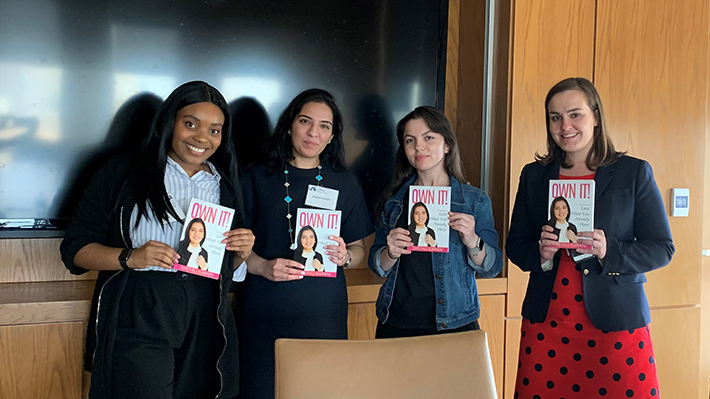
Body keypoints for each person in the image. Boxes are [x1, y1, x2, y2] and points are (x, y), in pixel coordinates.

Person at [60, 81, 255, 399]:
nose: (202, 138)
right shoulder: (123, 173)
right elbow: (75, 249)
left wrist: (241, 254)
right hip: (141, 307)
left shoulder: (228, 185)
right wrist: (130, 257)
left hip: (206, 311)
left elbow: (225, 272)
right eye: (190, 124)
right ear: (170, 122)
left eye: (215, 130)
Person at [506, 77, 673, 398]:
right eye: (555, 117)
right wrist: (541, 253)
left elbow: (662, 248)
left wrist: (610, 250)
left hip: (616, 322)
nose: (564, 125)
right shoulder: (535, 175)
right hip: (548, 324)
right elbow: (515, 246)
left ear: (596, 116)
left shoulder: (633, 172)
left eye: (575, 114)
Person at [236, 88, 373, 398]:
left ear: (332, 135)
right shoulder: (256, 177)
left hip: (322, 312)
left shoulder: (345, 182)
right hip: (264, 307)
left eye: (324, 126)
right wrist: (262, 266)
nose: (314, 132)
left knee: (320, 389)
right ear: (289, 125)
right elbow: (233, 245)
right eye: (305, 121)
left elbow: (359, 251)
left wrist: (345, 256)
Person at [367, 106, 502, 339]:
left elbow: (492, 268)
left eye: (429, 138)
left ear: (447, 145)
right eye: (410, 140)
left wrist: (472, 240)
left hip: (455, 322)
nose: (419, 147)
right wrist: (390, 252)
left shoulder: (474, 201)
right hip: (397, 321)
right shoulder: (393, 201)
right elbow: (377, 265)